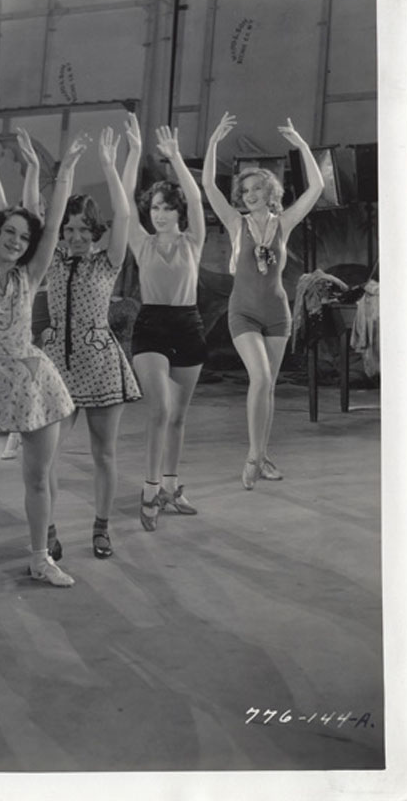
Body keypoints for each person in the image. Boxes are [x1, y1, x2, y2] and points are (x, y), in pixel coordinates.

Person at [0, 119, 88, 613]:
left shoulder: (31, 274)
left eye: (23, 237)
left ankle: (39, 556)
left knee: (37, 479)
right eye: (9, 232)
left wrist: (65, 172)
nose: (16, 240)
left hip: (33, 382)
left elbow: (52, 227)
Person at [202, 112, 324, 489]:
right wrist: (213, 143)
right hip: (243, 313)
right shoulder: (235, 223)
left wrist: (302, 145)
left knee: (268, 386)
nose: (250, 195)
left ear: (270, 192)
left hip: (277, 314)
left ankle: (263, 455)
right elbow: (208, 185)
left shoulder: (283, 223)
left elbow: (316, 188)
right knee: (260, 378)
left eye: (257, 189)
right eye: (246, 191)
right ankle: (254, 457)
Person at [41, 126, 141, 559]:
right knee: (46, 457)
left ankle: (101, 527)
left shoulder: (108, 262)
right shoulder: (51, 260)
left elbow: (124, 216)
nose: (77, 235)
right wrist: (68, 168)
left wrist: (107, 165)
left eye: (85, 228)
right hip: (58, 366)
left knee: (105, 453)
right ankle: (45, 528)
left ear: (94, 231)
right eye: (70, 228)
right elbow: (45, 218)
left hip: (100, 364)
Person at [123, 115, 207, 530]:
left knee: (178, 416)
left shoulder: (194, 240)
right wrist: (135, 154)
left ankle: (172, 488)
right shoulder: (142, 242)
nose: (159, 214)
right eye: (154, 208)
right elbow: (123, 204)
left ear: (178, 212)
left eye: (166, 208)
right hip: (152, 326)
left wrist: (175, 159)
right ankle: (150, 490)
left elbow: (197, 200)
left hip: (188, 325)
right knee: (159, 410)